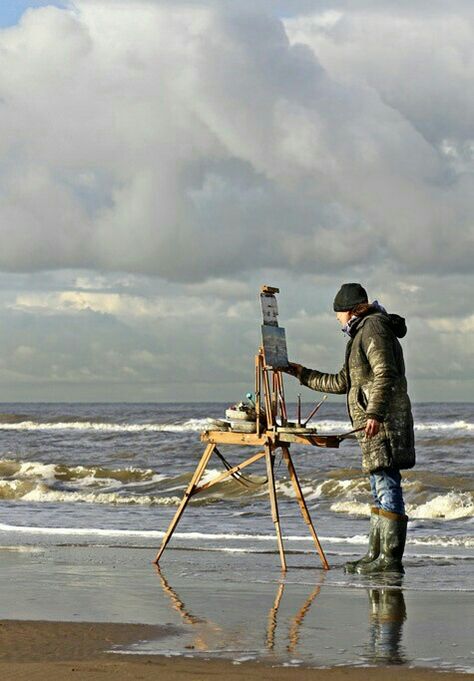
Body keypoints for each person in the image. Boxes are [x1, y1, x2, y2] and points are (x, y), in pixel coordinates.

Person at [283, 283, 415, 574]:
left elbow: (385, 373)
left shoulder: (374, 328)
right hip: (373, 422)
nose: (337, 319)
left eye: (339, 313)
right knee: (379, 485)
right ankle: (376, 556)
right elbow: (343, 383)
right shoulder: (361, 333)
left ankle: (389, 561)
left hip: (384, 421)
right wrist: (302, 374)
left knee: (387, 483)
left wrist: (375, 413)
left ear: (353, 310)